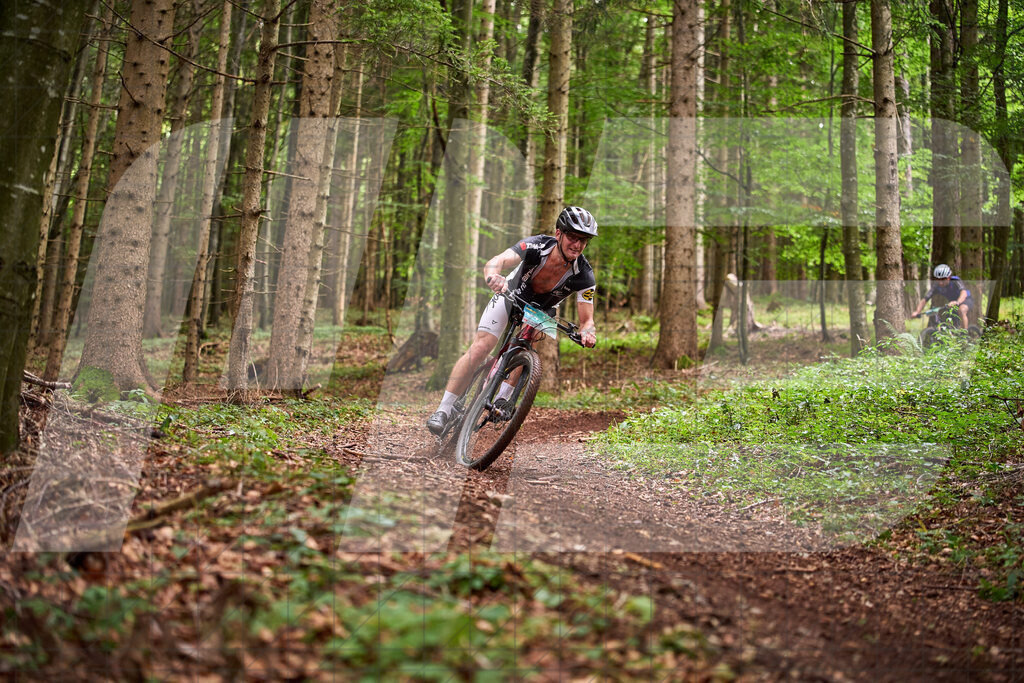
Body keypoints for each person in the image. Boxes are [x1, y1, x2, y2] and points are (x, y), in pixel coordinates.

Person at [426, 206, 599, 435]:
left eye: (584, 240)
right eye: (573, 237)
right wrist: (493, 276)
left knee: (527, 345)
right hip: (511, 294)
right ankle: (444, 409)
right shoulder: (537, 245)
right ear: (558, 234)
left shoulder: (584, 274)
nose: (577, 245)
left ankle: (503, 400)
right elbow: (498, 260)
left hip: (542, 310)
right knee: (481, 348)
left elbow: (587, 320)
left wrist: (588, 332)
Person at [911, 263, 972, 330]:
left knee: (961, 310)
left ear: (948, 278)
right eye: (938, 279)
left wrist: (957, 302)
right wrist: (917, 311)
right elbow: (925, 299)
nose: (940, 282)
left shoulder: (955, 280)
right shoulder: (936, 286)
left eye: (943, 279)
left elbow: (964, 293)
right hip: (951, 303)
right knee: (943, 316)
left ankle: (964, 335)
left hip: (965, 300)